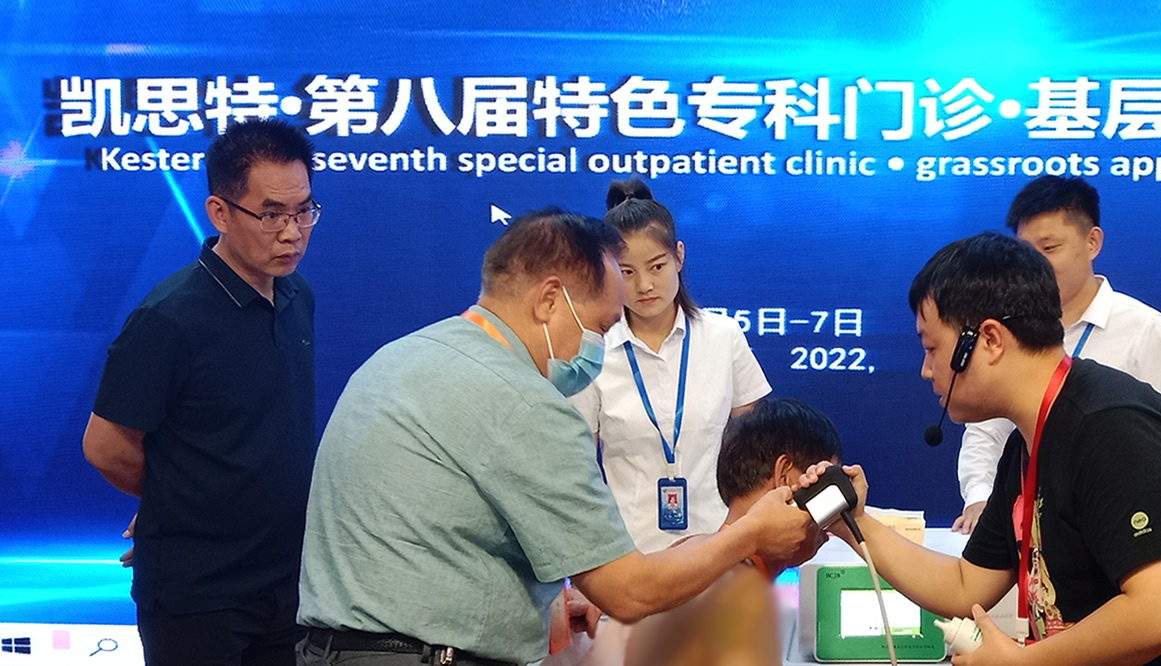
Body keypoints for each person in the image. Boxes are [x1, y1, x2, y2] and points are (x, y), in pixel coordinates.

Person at [296, 209, 817, 666]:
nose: (594, 350)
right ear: (549, 300)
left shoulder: (397, 358)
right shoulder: (524, 401)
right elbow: (629, 594)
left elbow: (438, 534)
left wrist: (534, 601)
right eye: (600, 327)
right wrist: (749, 535)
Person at [803, 233, 1161, 665]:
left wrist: (1024, 663)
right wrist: (855, 524)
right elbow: (966, 585)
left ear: (988, 340)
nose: (927, 370)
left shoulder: (1110, 425)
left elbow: (1160, 613)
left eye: (932, 348)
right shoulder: (1029, 441)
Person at [82, 118, 320, 666]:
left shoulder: (297, 294)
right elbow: (105, 446)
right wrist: (176, 501)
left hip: (287, 581)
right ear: (220, 213)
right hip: (200, 595)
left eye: (304, 210)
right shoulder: (169, 318)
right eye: (271, 214)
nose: (292, 232)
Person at [953, 176, 1161, 534]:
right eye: (1025, 252)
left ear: (1093, 242)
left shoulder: (1144, 329)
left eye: (1049, 248)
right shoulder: (1003, 330)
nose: (1033, 267)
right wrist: (980, 499)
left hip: (1112, 526)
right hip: (1020, 528)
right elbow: (986, 432)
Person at [570, 178, 770, 554]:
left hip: (720, 547)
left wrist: (742, 534)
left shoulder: (723, 336)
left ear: (679, 256)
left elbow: (756, 453)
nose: (644, 285)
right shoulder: (592, 351)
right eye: (627, 272)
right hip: (628, 555)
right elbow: (577, 468)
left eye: (657, 266)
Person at [622, 397, 844, 666]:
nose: (830, 516)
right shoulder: (738, 594)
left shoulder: (692, 556)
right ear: (784, 476)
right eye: (825, 487)